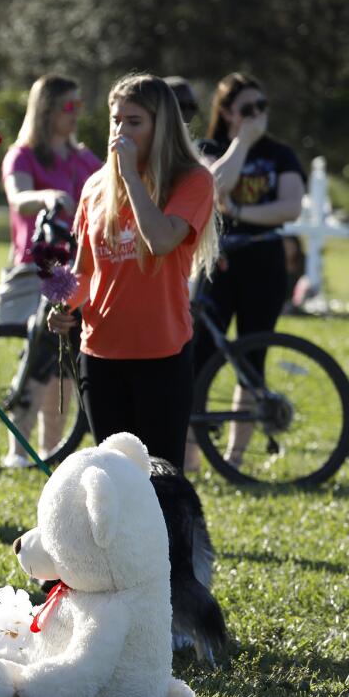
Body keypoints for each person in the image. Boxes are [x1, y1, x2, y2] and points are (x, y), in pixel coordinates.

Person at [48, 73, 218, 471]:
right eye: (115, 119)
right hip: (100, 351)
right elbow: (86, 271)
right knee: (113, 478)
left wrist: (128, 177)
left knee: (160, 478)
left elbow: (161, 240)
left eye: (134, 121)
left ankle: (175, 538)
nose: (120, 131)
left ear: (161, 127)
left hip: (161, 352)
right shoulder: (94, 188)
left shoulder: (192, 180)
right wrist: (64, 304)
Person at [192, 73, 305, 465]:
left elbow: (290, 206)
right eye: (247, 109)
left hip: (265, 263)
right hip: (218, 265)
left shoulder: (280, 154)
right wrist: (241, 142)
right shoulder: (210, 147)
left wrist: (240, 211)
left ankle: (234, 457)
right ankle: (188, 455)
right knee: (199, 355)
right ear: (226, 113)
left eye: (262, 107)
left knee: (251, 359)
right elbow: (211, 187)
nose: (258, 115)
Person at [0, 75, 103, 464]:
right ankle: (17, 450)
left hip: (73, 269)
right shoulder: (22, 155)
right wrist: (46, 197)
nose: (75, 114)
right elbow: (19, 199)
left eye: (78, 106)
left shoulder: (85, 158)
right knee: (34, 362)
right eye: (67, 106)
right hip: (33, 267)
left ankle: (50, 450)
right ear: (47, 110)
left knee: (62, 368)